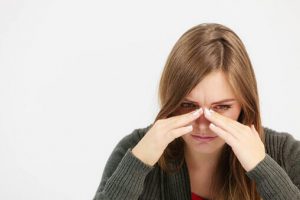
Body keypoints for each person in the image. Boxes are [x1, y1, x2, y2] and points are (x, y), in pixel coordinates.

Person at [92, 23, 300, 200]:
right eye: (188, 105)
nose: (202, 124)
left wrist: (264, 169)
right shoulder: (135, 148)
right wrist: (137, 165)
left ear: (245, 104)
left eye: (221, 107)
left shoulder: (286, 154)